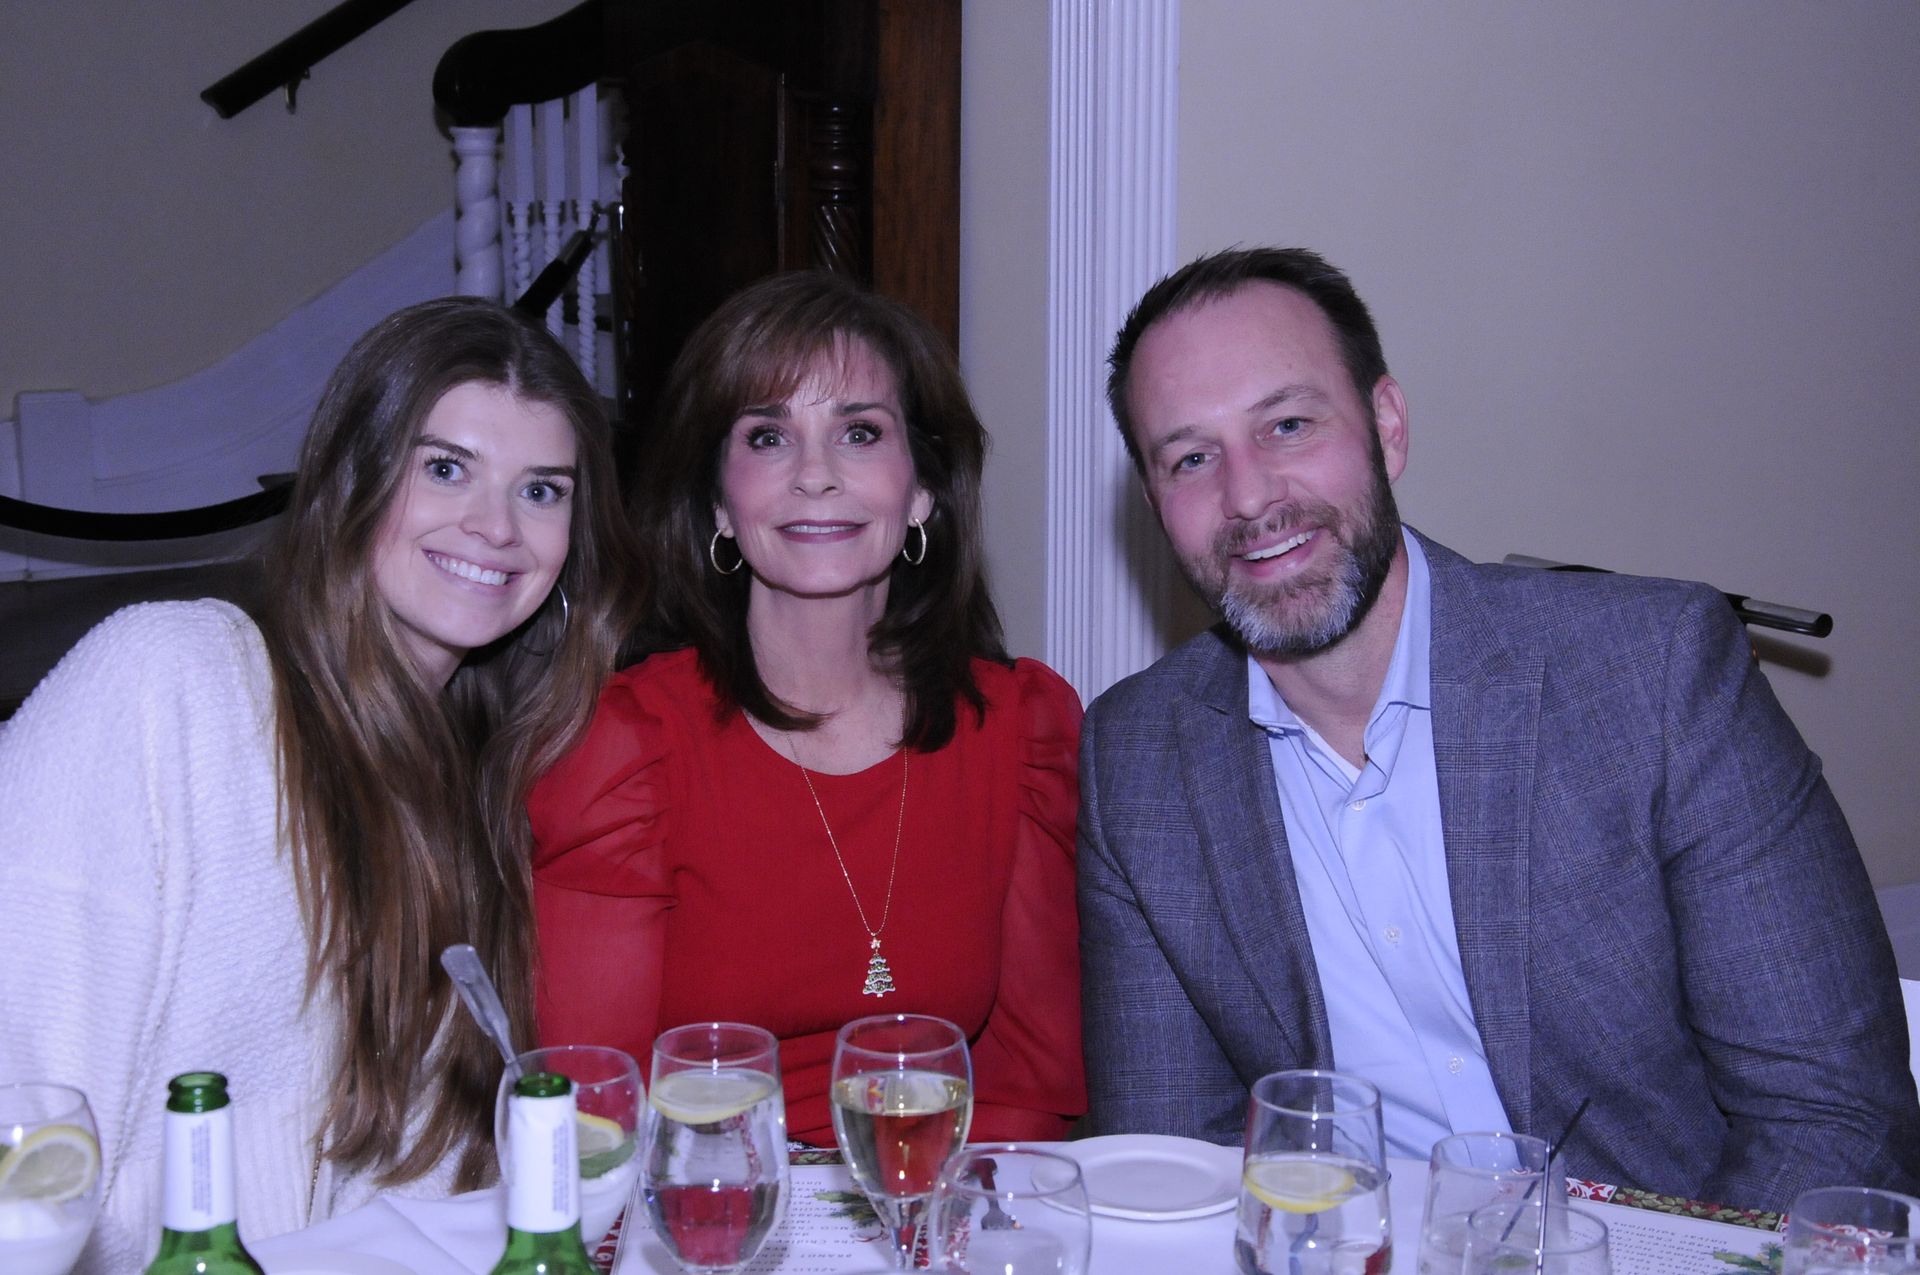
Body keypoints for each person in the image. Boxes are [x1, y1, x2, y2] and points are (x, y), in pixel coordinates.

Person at [1078, 246, 1920, 1210]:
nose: (1249, 496)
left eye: (1289, 424)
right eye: (1191, 457)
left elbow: (1830, 1119)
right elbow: (1173, 1165)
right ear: (1157, 506)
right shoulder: (1136, 761)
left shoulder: (1653, 676)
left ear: (1385, 427)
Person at [0, 298, 630, 1270]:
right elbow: (21, 1094)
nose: (496, 526)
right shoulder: (171, 684)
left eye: (542, 491)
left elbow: (425, 1172)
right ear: (356, 477)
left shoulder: (486, 778)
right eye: (447, 468)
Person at [529, 270, 1085, 1143]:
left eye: (859, 432)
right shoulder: (626, 746)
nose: (815, 476)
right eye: (768, 436)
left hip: (931, 1217)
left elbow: (1024, 1093)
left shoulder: (1021, 731)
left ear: (923, 491)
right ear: (719, 499)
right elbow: (592, 1116)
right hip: (705, 1214)